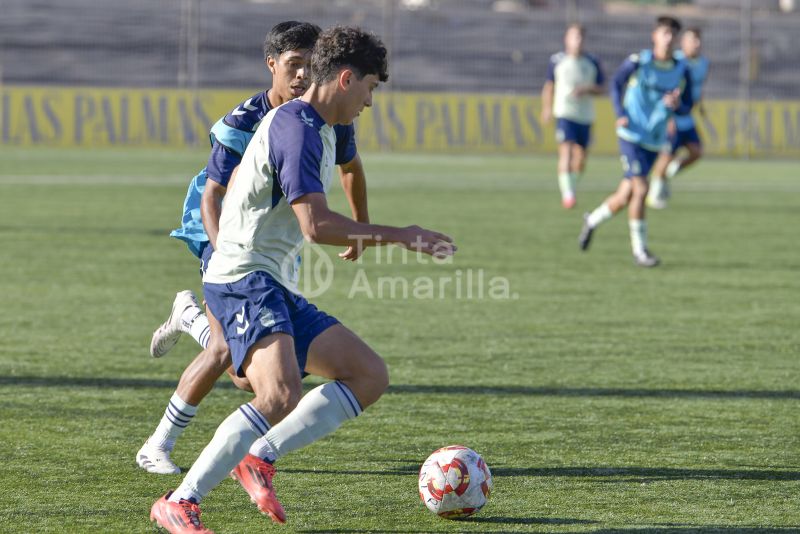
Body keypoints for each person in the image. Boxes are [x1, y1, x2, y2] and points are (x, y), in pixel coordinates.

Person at [149, 25, 456, 533]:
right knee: (276, 394)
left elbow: (347, 177)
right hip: (242, 276)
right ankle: (181, 501)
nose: (370, 102)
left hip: (272, 282)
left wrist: (364, 228)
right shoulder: (295, 127)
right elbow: (315, 227)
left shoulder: (323, 128)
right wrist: (401, 234)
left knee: (368, 375)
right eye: (371, 89)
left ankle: (260, 457)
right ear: (345, 78)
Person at [137, 21, 370, 477]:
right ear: (272, 65)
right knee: (228, 349)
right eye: (293, 65)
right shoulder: (241, 122)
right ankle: (156, 445)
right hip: (219, 231)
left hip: (265, 239)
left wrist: (360, 226)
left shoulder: (325, 117)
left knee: (250, 379)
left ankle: (190, 318)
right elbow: (211, 195)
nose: (302, 75)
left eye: (310, 65)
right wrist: (227, 257)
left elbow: (351, 167)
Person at [578, 15, 692, 267]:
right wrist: (620, 114)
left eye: (672, 34)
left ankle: (592, 220)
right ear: (655, 36)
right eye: (664, 33)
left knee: (625, 195)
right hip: (631, 134)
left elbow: (687, 105)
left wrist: (677, 105)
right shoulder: (639, 62)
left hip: (654, 138)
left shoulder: (681, 68)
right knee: (641, 190)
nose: (668, 38)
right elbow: (616, 84)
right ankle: (640, 251)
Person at [540, 23, 605, 209]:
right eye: (574, 36)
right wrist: (546, 108)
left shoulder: (592, 61)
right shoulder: (557, 60)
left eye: (581, 37)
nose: (578, 40)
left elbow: (601, 88)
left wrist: (587, 89)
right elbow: (549, 86)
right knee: (566, 150)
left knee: (581, 159)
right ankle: (568, 195)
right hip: (564, 112)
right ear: (566, 39)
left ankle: (571, 186)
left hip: (585, 115)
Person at [647, 27, 709, 209]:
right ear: (683, 43)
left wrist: (701, 104)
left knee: (696, 152)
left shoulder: (704, 63)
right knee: (666, 156)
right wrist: (668, 117)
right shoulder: (676, 62)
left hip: (687, 115)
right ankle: (654, 194)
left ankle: (668, 175)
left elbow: (698, 87)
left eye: (698, 40)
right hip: (671, 116)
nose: (696, 44)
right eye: (692, 40)